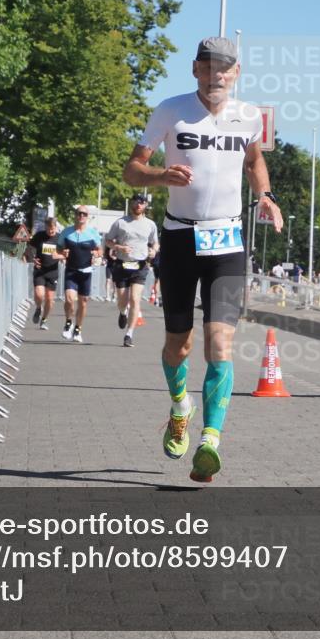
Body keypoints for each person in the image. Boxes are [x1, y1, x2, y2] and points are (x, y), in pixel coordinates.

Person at [123, 36, 283, 483]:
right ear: (195, 70)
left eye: (225, 69)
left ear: (236, 74)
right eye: (209, 68)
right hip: (179, 239)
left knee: (220, 343)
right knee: (180, 344)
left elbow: (254, 162)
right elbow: (131, 169)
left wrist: (266, 197)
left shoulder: (249, 116)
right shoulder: (171, 110)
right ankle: (180, 407)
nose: (217, 76)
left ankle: (210, 440)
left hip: (227, 242)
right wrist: (159, 175)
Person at [105, 194, 159, 347]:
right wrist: (118, 247)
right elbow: (108, 241)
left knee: (135, 299)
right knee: (122, 300)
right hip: (122, 264)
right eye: (135, 202)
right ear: (131, 204)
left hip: (140, 266)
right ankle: (123, 313)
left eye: (141, 203)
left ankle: (129, 334)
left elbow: (155, 243)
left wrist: (153, 251)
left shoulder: (150, 224)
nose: (138, 205)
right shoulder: (120, 223)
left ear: (145, 206)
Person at [58, 205, 103, 342]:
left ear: (87, 217)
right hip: (71, 270)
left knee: (83, 303)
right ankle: (68, 322)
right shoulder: (66, 232)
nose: (81, 216)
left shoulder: (93, 233)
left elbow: (100, 251)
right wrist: (62, 253)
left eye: (84, 214)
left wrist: (96, 253)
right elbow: (58, 249)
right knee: (69, 299)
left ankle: (78, 329)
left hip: (86, 272)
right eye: (79, 213)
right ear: (75, 215)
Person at [25, 217, 66, 330]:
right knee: (39, 294)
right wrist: (33, 258)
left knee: (49, 299)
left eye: (52, 230)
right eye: (48, 230)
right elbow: (29, 248)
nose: (50, 232)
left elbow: (66, 254)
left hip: (52, 272)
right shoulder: (39, 236)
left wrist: (59, 256)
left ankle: (44, 320)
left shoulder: (60, 238)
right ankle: (38, 307)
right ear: (45, 227)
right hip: (40, 270)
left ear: (56, 228)